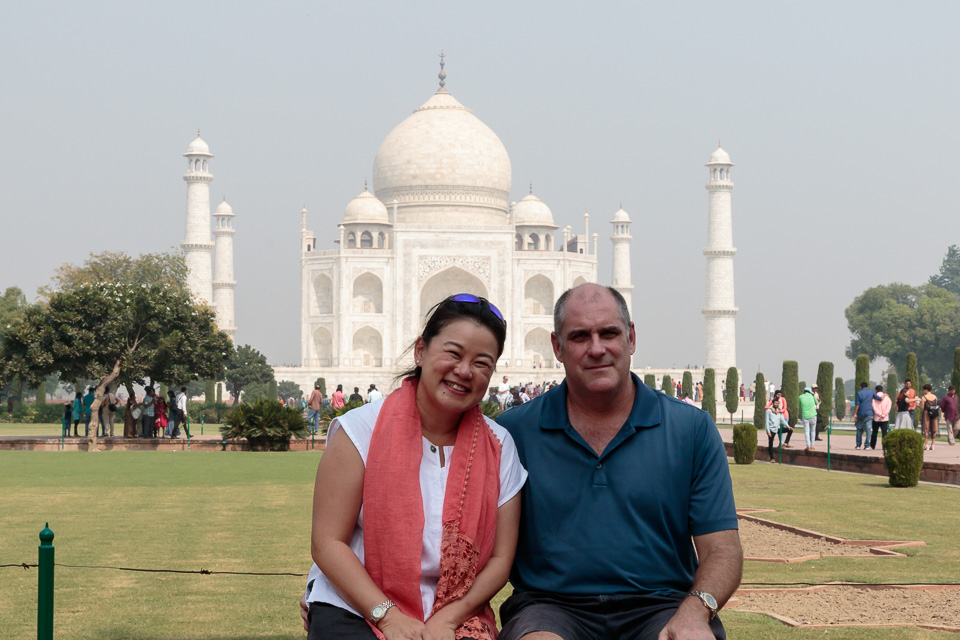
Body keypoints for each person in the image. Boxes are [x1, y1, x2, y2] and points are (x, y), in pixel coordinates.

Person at [496, 284, 741, 640]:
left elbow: (722, 548)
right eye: (580, 336)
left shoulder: (689, 429)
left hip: (662, 605)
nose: (597, 348)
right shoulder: (515, 432)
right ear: (557, 347)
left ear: (631, 338)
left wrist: (695, 610)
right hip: (550, 607)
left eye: (609, 333)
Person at [301, 293, 526, 640]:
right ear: (421, 351)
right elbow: (328, 542)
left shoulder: (498, 446)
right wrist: (388, 617)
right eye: (453, 353)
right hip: (356, 606)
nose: (464, 371)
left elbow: (500, 560)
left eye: (482, 363)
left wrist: (449, 618)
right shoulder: (360, 431)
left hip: (456, 613)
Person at [852, 382, 874, 450]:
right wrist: (884, 395)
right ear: (867, 387)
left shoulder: (859, 393)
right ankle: (867, 445)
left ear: (860, 387)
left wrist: (855, 413)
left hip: (861, 413)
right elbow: (879, 398)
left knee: (859, 429)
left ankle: (858, 445)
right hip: (869, 413)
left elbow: (857, 404)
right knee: (868, 430)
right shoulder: (871, 392)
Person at [870, 385, 892, 450]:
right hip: (884, 418)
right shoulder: (887, 398)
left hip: (876, 418)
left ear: (876, 390)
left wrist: (879, 414)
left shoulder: (874, 398)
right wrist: (883, 415)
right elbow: (888, 408)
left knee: (874, 432)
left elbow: (874, 407)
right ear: (882, 390)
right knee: (884, 433)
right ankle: (885, 446)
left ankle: (872, 445)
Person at [920, 383, 940, 451]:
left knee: (926, 429)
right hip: (934, 414)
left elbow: (922, 407)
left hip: (926, 413)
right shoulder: (935, 397)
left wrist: (917, 405)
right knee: (934, 429)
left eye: (923, 389)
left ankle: (926, 444)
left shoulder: (924, 397)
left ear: (926, 389)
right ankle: (933, 444)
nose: (923, 391)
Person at [798, 386, 818, 452]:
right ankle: (812, 446)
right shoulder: (812, 396)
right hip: (813, 415)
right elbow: (816, 403)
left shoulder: (800, 397)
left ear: (804, 391)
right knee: (813, 431)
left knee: (806, 431)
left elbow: (799, 405)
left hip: (805, 415)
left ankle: (808, 446)